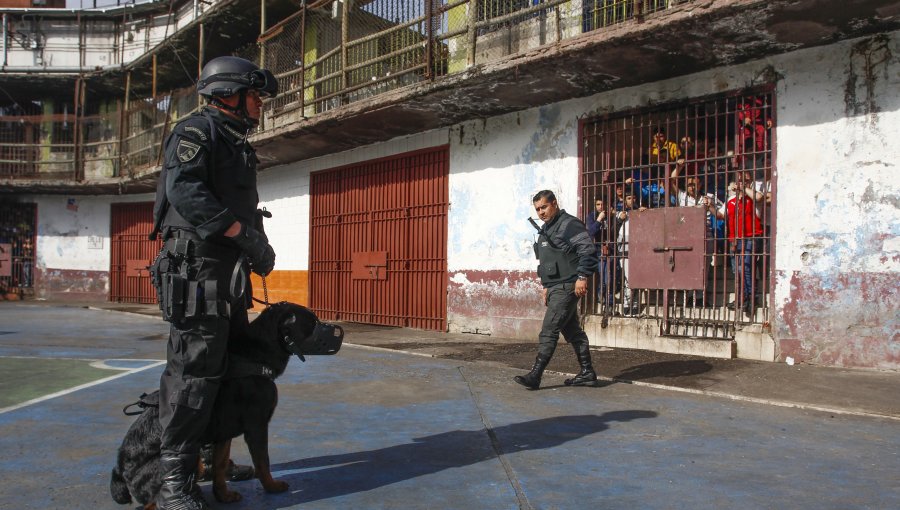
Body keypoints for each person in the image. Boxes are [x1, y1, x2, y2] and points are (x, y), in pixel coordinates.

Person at [148, 55, 278, 510]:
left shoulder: (233, 140)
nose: (261, 103)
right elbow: (186, 191)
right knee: (194, 375)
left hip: (226, 276)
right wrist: (243, 236)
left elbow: (237, 207)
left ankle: (212, 457)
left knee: (231, 366)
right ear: (229, 94)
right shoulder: (196, 132)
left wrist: (253, 244)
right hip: (195, 273)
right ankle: (173, 484)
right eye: (255, 94)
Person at [515, 190, 599, 390]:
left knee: (549, 330)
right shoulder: (547, 229)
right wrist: (546, 287)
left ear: (554, 203)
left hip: (568, 286)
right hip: (555, 287)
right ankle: (587, 372)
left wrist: (582, 277)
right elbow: (548, 261)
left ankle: (535, 375)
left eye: (544, 207)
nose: (541, 212)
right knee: (572, 330)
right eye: (537, 209)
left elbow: (587, 250)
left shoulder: (569, 224)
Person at [715, 178, 764, 317]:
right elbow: (720, 215)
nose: (739, 184)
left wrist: (743, 189)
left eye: (744, 182)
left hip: (751, 237)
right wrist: (710, 207)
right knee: (738, 269)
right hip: (734, 239)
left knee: (746, 267)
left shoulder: (752, 197)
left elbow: (759, 197)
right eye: (738, 182)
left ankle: (751, 297)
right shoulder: (730, 199)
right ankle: (743, 297)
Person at [585, 196, 615, 308]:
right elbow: (591, 232)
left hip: (611, 249)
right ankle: (603, 298)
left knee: (610, 277)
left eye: (602, 204)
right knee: (604, 277)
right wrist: (599, 220)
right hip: (598, 250)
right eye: (598, 204)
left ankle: (609, 301)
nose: (600, 207)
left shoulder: (611, 215)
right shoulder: (592, 216)